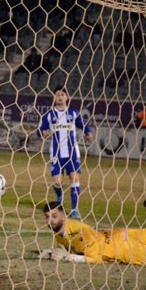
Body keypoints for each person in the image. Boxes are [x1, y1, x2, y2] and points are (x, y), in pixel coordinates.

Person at [37, 88, 93, 218]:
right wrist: (43, 133)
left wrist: (88, 132)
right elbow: (40, 130)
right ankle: (59, 195)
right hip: (56, 153)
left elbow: (82, 124)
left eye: (62, 95)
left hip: (72, 153)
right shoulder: (49, 115)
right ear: (54, 98)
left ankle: (74, 210)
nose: (60, 97)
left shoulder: (73, 113)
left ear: (67, 97)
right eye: (57, 95)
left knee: (74, 178)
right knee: (57, 182)